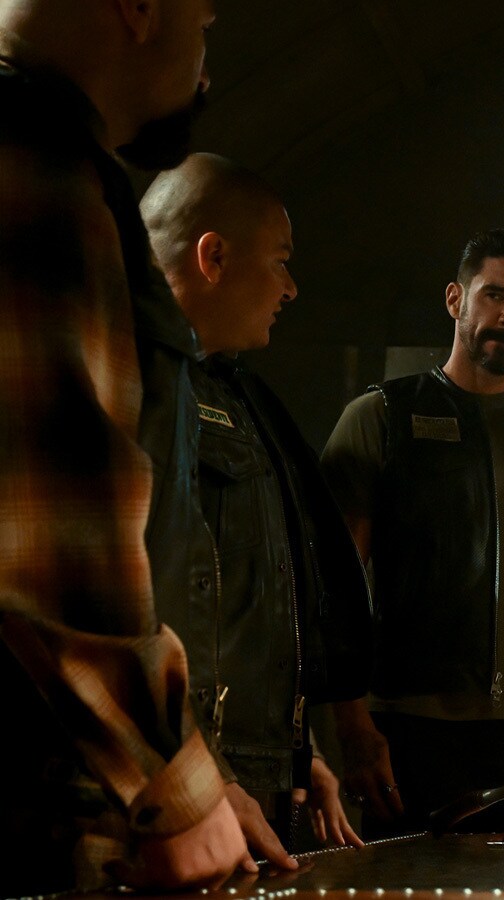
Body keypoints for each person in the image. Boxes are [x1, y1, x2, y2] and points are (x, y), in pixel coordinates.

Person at [0, 0, 251, 893]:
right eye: (206, 21)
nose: (207, 62)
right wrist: (169, 785)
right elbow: (51, 522)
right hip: (40, 798)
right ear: (140, 7)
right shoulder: (32, 156)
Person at [321, 229, 504, 833]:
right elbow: (333, 586)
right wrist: (352, 726)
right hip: (420, 733)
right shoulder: (382, 418)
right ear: (456, 299)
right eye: (494, 295)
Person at [141, 153, 372, 859]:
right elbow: (133, 606)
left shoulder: (239, 397)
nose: (291, 287)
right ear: (213, 257)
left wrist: (301, 751)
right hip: (179, 789)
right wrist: (205, 774)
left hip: (254, 779)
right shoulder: (132, 380)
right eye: (280, 262)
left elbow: (252, 597)